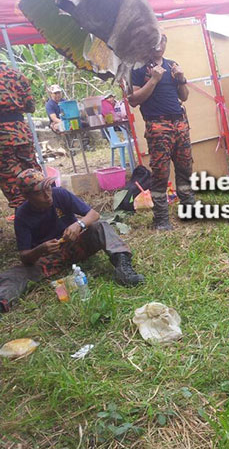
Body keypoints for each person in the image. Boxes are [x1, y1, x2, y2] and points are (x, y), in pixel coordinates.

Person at [0, 168, 144, 312]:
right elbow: (25, 256)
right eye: (39, 193)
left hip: (76, 245)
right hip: (49, 257)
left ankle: (123, 268)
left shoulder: (60, 194)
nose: (47, 195)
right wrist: (40, 249)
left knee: (100, 227)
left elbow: (93, 214)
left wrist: (79, 224)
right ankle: (3, 302)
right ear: (27, 196)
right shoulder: (22, 215)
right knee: (14, 274)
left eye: (48, 187)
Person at [128, 34, 195, 230]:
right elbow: (133, 100)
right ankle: (161, 219)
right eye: (154, 40)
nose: (158, 45)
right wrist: (154, 80)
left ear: (165, 43)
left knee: (185, 168)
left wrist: (181, 79)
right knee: (160, 173)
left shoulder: (172, 64)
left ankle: (189, 209)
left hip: (179, 123)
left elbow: (184, 96)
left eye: (162, 41)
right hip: (157, 126)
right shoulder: (138, 69)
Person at [0, 60, 40, 210]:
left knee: (11, 179)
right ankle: (49, 217)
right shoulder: (17, 75)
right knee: (33, 173)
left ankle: (27, 223)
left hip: (2, 137)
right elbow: (30, 107)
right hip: (21, 132)